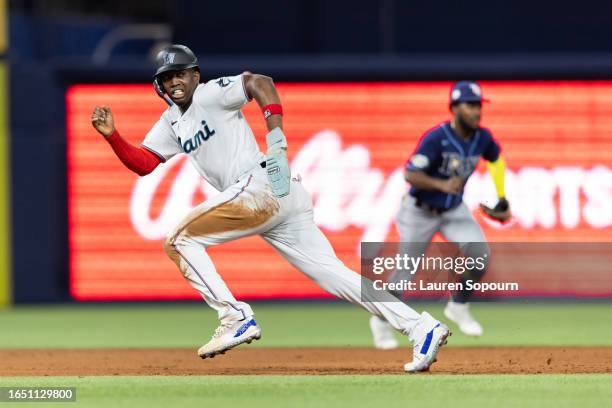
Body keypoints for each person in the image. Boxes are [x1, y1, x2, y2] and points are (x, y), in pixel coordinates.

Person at [91, 44, 450, 372]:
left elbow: (260, 82)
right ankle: (421, 326)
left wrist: (275, 136)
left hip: (260, 185)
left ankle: (235, 317)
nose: (174, 82)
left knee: (179, 240)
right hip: (276, 197)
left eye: (180, 73)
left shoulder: (211, 93)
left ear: (195, 75)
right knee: (336, 276)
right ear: (159, 86)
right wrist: (113, 136)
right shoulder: (171, 121)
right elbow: (144, 163)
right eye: (166, 78)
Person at [369, 81, 511, 349]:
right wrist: (442, 184)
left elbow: (496, 158)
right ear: (455, 108)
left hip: (453, 210)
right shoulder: (437, 138)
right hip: (419, 211)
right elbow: (410, 173)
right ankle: (380, 320)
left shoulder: (483, 137)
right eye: (470, 105)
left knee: (480, 256)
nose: (477, 111)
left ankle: (458, 305)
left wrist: (502, 197)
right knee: (405, 273)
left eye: (479, 105)